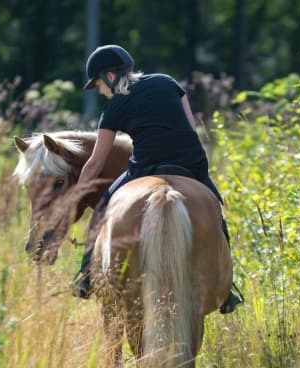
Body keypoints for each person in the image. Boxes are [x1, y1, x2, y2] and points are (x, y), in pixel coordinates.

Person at [72, 44, 243, 314]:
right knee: (214, 207)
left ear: (110, 76)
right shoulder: (167, 82)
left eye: (98, 85)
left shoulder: (114, 107)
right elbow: (190, 128)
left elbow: (96, 162)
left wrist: (76, 194)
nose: (102, 92)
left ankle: (84, 276)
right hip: (191, 162)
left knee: (104, 205)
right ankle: (228, 286)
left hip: (146, 168)